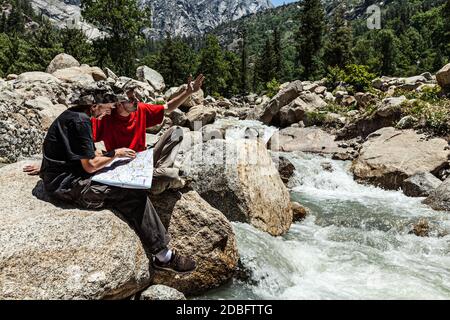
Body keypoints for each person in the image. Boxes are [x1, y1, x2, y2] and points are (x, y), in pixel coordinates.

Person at [38, 95, 196, 273]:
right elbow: (89, 166)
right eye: (107, 107)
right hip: (69, 186)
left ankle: (161, 180)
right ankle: (163, 257)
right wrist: (114, 153)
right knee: (133, 194)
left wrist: (45, 168)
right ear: (95, 104)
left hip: (64, 179)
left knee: (133, 184)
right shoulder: (82, 122)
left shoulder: (74, 114)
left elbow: (71, 152)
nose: (108, 111)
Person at [91, 74, 205, 194]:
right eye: (131, 99)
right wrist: (107, 156)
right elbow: (86, 141)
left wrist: (188, 92)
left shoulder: (140, 109)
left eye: (135, 96)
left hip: (144, 159)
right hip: (124, 169)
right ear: (119, 103)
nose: (136, 100)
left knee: (176, 131)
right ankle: (160, 179)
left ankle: (157, 172)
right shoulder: (105, 118)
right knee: (171, 175)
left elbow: (167, 108)